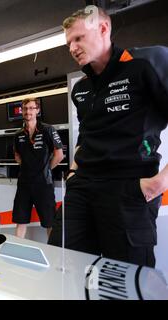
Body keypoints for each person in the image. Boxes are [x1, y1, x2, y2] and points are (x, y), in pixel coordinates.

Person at [48, 5, 168, 267]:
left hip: (128, 189)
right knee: (61, 267)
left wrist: (159, 183)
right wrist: (73, 173)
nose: (72, 48)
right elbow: (85, 135)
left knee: (127, 280)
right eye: (68, 42)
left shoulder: (147, 63)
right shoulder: (80, 89)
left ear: (103, 28)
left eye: (78, 38)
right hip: (82, 189)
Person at [12, 98, 64, 239]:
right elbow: (17, 156)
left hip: (43, 184)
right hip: (24, 184)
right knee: (20, 221)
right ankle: (15, 253)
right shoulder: (18, 135)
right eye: (25, 108)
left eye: (31, 108)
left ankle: (53, 256)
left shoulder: (48, 129)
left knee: (49, 222)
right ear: (22, 111)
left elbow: (59, 155)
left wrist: (45, 169)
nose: (28, 111)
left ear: (37, 110)